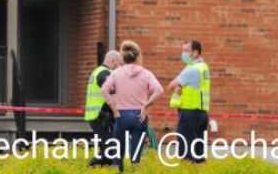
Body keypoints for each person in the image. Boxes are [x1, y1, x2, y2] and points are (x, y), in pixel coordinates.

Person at [101, 41, 162, 172]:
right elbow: (159, 90)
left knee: (118, 151)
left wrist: (114, 109)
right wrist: (146, 105)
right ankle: (135, 168)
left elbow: (104, 90)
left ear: (123, 58)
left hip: (121, 115)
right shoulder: (146, 73)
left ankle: (118, 169)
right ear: (138, 56)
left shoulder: (116, 73)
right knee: (136, 154)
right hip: (139, 115)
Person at [168, 40, 210, 163]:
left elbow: (171, 85)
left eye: (186, 51)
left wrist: (177, 87)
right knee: (198, 150)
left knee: (185, 150)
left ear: (196, 52)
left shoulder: (192, 70)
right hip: (201, 113)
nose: (183, 53)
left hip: (189, 113)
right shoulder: (204, 67)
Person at [84, 50, 123, 166]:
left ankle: (97, 167)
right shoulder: (104, 74)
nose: (119, 67)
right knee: (110, 150)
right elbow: (110, 89)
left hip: (97, 116)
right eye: (119, 64)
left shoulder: (96, 72)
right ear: (112, 61)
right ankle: (90, 167)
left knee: (108, 148)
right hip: (101, 117)